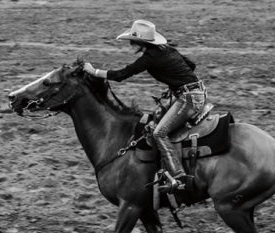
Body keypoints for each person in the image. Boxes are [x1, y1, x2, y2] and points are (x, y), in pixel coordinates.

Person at [83, 19, 206, 192]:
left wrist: (93, 71)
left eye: (133, 41)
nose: (130, 45)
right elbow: (191, 66)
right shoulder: (167, 49)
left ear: (141, 43)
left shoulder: (150, 58)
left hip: (188, 99)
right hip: (195, 93)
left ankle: (178, 177)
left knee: (159, 133)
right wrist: (176, 83)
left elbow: (121, 75)